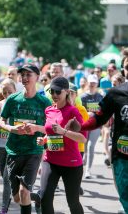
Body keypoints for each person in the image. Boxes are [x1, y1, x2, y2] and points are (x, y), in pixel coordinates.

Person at [67, 54, 128, 213]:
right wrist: (80, 126)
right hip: (122, 157)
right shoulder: (116, 93)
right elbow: (99, 118)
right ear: (124, 70)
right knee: (125, 196)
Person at [0, 63, 51, 214]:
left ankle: (30, 196)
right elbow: (1, 121)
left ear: (37, 78)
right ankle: (36, 197)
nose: (25, 78)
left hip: (33, 151)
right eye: (22, 75)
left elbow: (51, 127)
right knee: (16, 198)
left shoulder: (44, 103)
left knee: (24, 192)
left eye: (29, 75)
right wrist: (12, 128)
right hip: (14, 150)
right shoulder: (13, 99)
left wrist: (37, 129)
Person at [31, 77, 86, 214]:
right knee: (45, 199)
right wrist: (44, 139)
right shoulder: (49, 110)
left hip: (71, 164)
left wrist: (64, 131)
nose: (54, 95)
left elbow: (82, 138)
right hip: (50, 160)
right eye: (52, 91)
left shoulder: (73, 111)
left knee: (73, 203)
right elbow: (50, 131)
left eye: (57, 92)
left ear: (66, 92)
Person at [0, 78, 17, 214]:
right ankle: (35, 197)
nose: (7, 95)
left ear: (15, 91)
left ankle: (3, 209)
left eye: (10, 92)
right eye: (4, 92)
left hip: (14, 148)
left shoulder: (19, 105)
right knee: (9, 180)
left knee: (7, 179)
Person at [80, 74, 103, 179]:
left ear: (97, 84)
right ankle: (84, 162)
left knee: (90, 146)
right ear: (87, 83)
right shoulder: (83, 97)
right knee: (84, 145)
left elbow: (103, 111)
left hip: (96, 125)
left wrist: (96, 114)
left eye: (94, 83)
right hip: (85, 125)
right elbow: (80, 112)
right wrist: (87, 114)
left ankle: (88, 171)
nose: (92, 84)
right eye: (91, 82)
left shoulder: (100, 97)